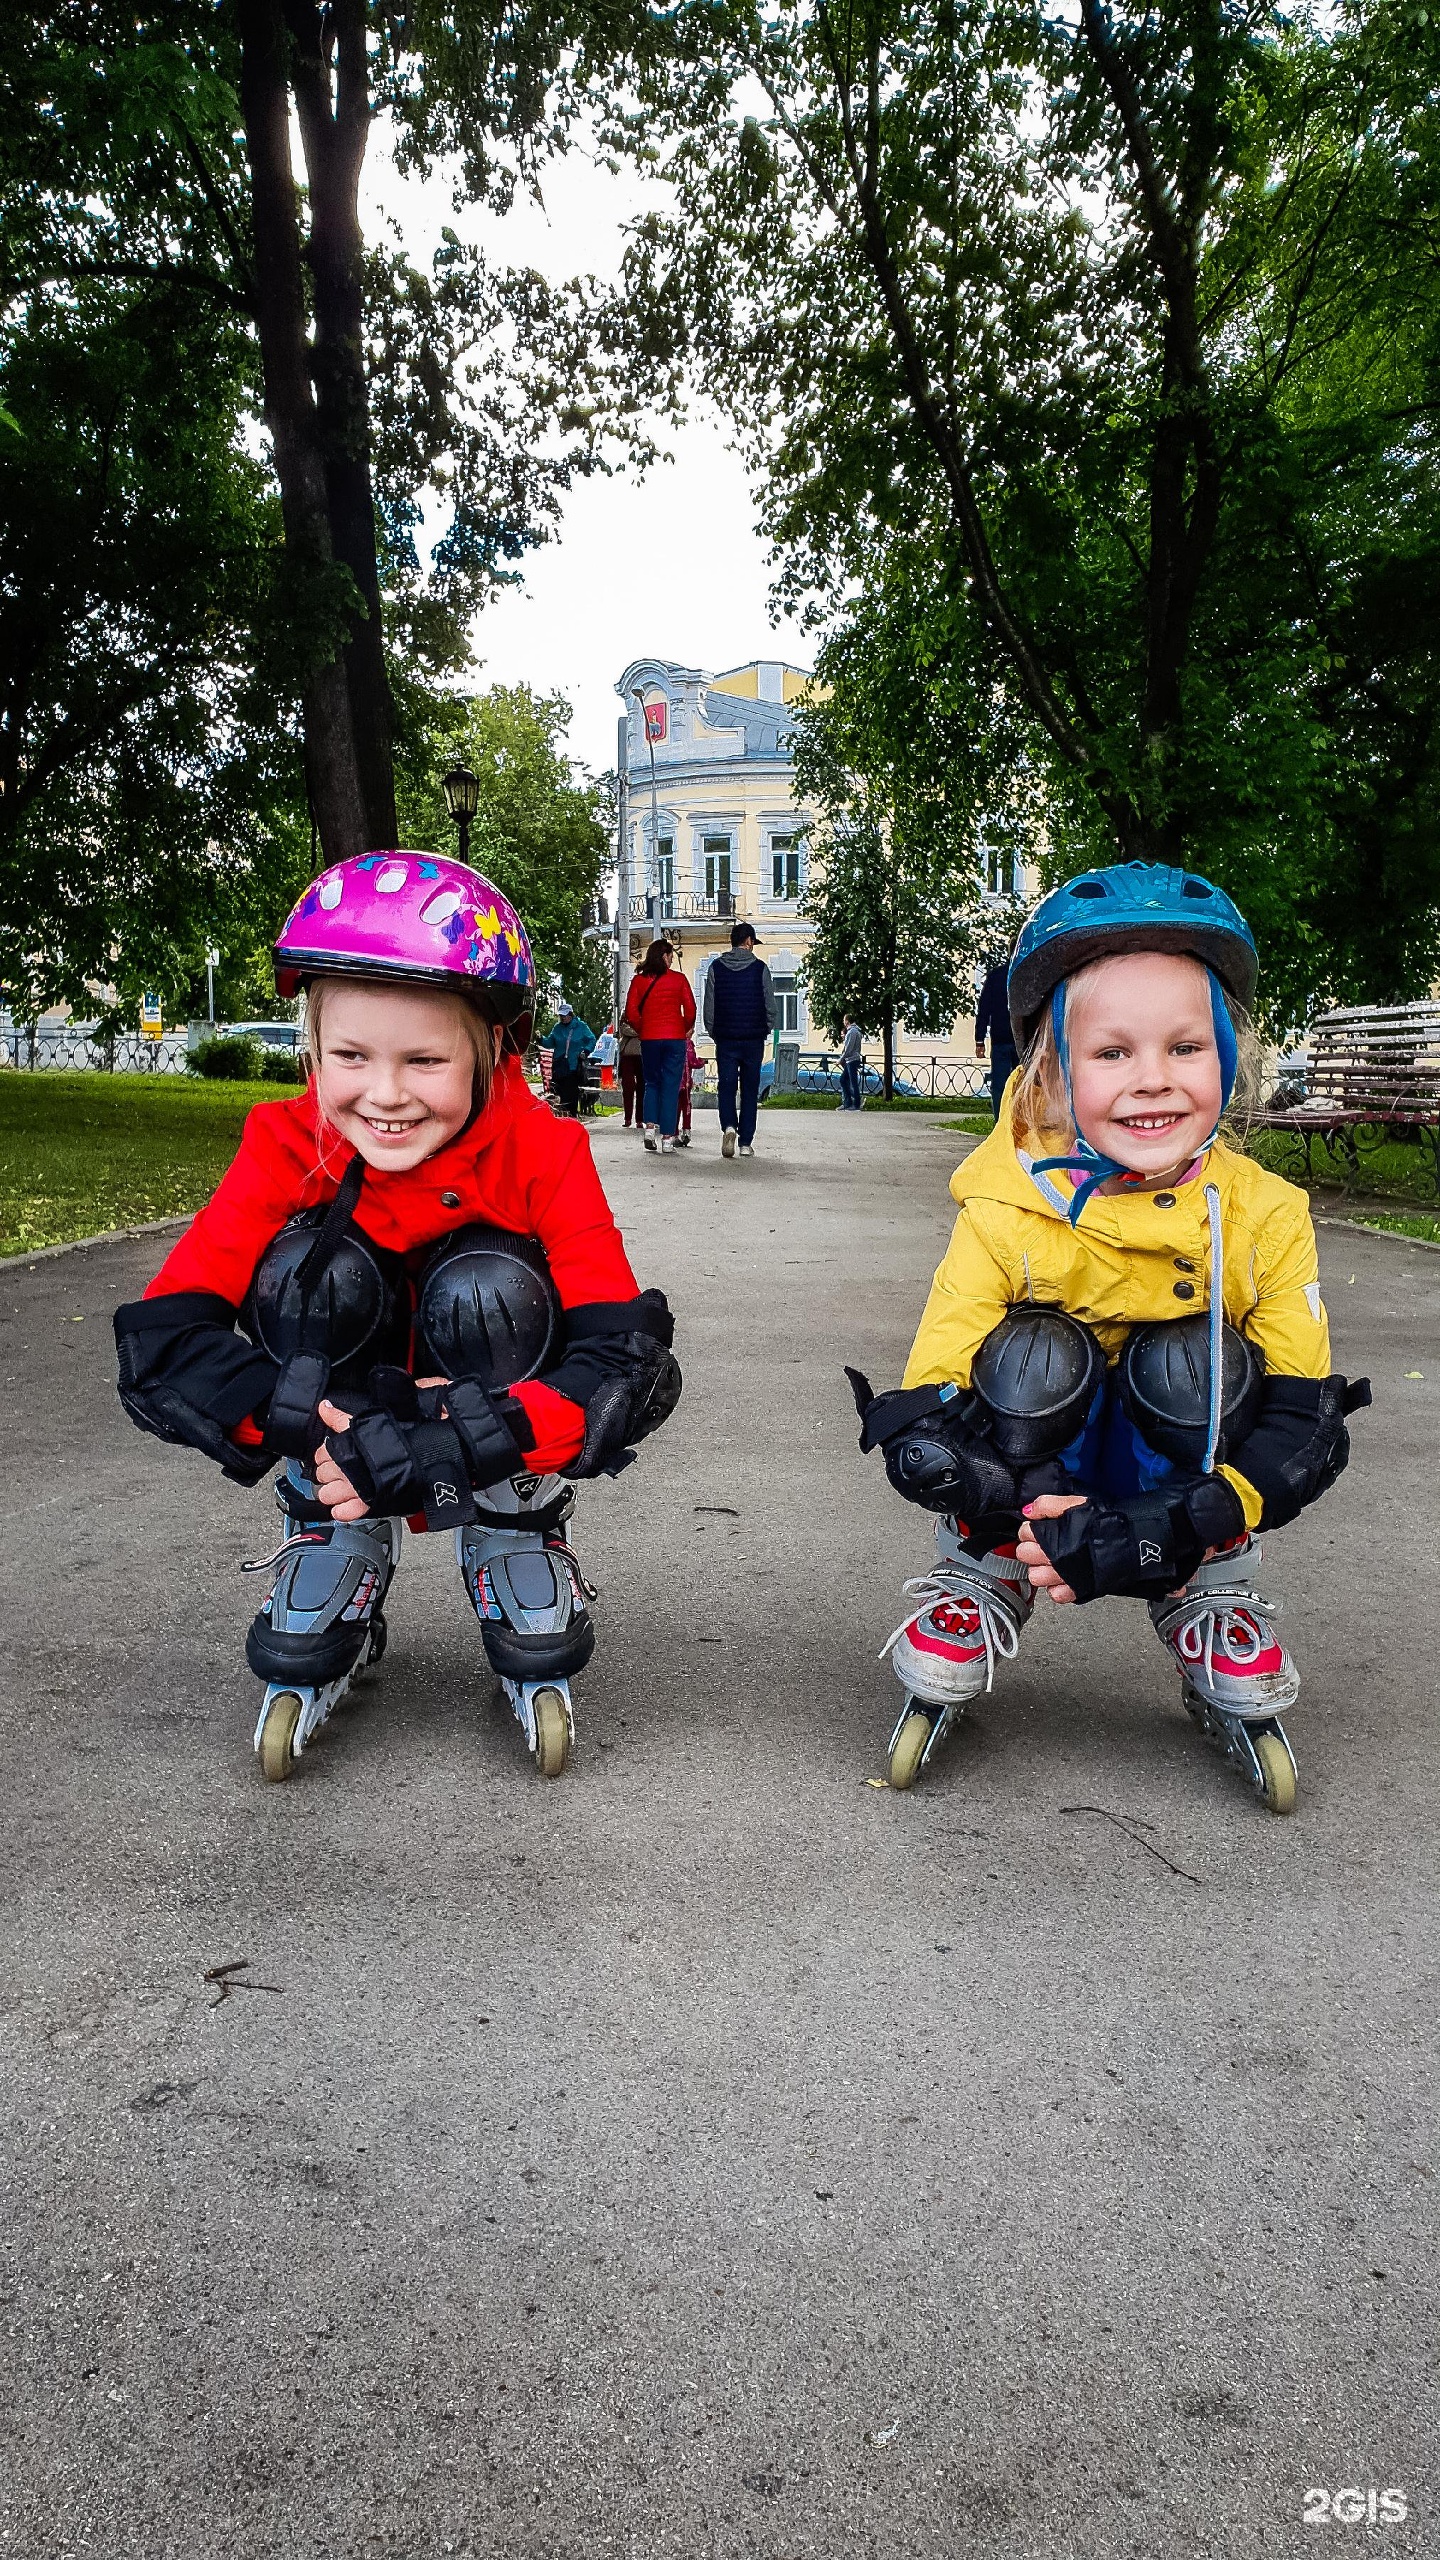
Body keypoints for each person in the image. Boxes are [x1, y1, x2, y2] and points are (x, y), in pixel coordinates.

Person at [113, 852, 681, 1784]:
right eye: (350, 1056)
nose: (383, 1094)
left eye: (424, 1059)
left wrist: (470, 1442)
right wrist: (308, 1428)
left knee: (483, 1286)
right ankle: (327, 1518)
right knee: (311, 1267)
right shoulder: (284, 1141)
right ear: (312, 1047)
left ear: (492, 1049)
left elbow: (620, 1357)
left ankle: (514, 1521)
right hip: (342, 1405)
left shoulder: (545, 1151)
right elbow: (170, 1336)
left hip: (483, 1400)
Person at [847, 861, 1370, 1815]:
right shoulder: (1006, 1203)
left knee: (1197, 1363)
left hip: (1186, 1469)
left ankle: (1213, 1591)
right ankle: (982, 1570)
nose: (1154, 1082)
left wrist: (1191, 1520)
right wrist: (1014, 1498)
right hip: (1037, 1463)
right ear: (1052, 1066)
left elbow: (1303, 1416)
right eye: (1113, 1053)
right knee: (1027, 1353)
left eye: (1185, 1047)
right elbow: (936, 1386)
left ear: (1227, 1056)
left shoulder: (1262, 1215)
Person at [703, 921, 775, 1160]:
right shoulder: (760, 969)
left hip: (725, 1039)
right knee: (749, 1090)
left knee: (726, 1086)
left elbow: (709, 1007)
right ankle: (745, 1142)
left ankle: (729, 1127)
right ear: (748, 942)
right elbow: (770, 1006)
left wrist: (715, 1032)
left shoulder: (715, 968)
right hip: (753, 1040)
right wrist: (765, 1028)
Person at [623, 939, 696, 1155]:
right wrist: (682, 1028)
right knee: (670, 1087)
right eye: (671, 956)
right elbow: (690, 1009)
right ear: (664, 955)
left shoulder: (638, 981)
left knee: (651, 1084)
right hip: (674, 1039)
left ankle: (649, 1129)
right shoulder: (679, 980)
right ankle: (666, 1139)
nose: (672, 959)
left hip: (650, 1039)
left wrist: (643, 1028)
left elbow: (631, 1012)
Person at [974, 953, 1019, 1121]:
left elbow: (984, 1008)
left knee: (999, 1085)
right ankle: (1019, 1124)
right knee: (1022, 1085)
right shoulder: (1025, 973)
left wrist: (980, 1039)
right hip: (1021, 1040)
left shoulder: (996, 975)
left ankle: (1000, 1123)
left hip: (1000, 1039)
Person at [545, 999, 595, 1118]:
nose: (562, 1018)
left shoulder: (580, 1026)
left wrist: (586, 1051)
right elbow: (550, 1042)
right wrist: (540, 1039)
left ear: (571, 1015)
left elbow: (592, 1039)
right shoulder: (557, 1028)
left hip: (573, 1066)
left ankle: (571, 1117)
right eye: (561, 1015)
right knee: (558, 1093)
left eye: (565, 1015)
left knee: (571, 1093)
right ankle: (560, 1117)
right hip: (559, 1066)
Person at [617, 1013, 645, 1130]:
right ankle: (627, 1118)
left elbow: (648, 1028)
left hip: (643, 1055)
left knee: (642, 1089)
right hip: (627, 1055)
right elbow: (624, 1029)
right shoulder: (627, 1012)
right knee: (628, 1087)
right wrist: (639, 1032)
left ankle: (640, 1119)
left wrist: (636, 1031)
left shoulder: (647, 1010)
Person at [677, 1034, 702, 1147]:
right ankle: (686, 1130)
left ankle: (673, 1132)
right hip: (685, 1082)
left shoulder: (674, 1041)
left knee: (674, 1107)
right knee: (686, 1106)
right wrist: (700, 1061)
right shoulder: (688, 1043)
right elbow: (692, 1062)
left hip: (673, 1081)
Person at [838, 1014, 865, 1111]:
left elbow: (848, 1048)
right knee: (843, 1080)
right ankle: (848, 1102)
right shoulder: (854, 1031)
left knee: (853, 1083)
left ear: (847, 1021)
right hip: (851, 1059)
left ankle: (856, 1104)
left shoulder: (852, 1032)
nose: (843, 1022)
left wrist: (841, 1059)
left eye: (844, 1020)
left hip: (852, 1059)